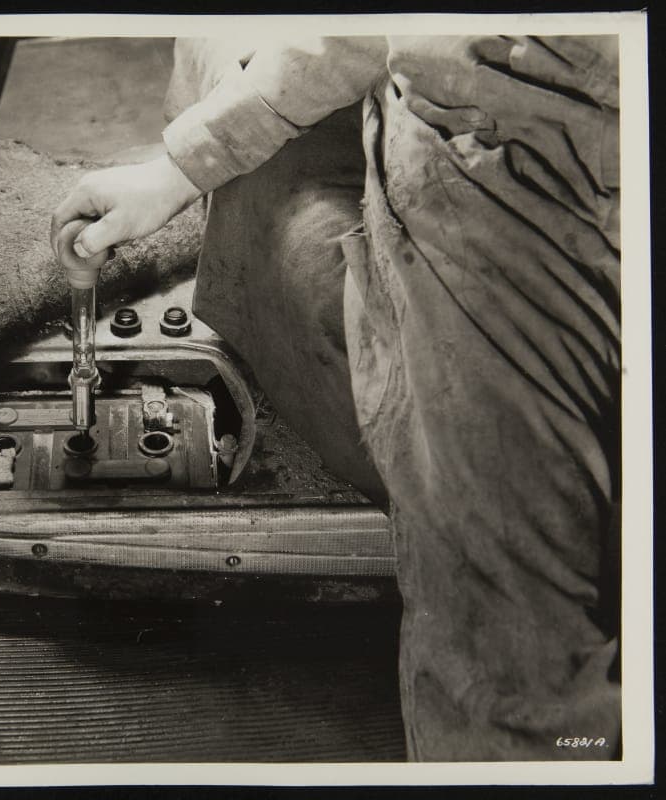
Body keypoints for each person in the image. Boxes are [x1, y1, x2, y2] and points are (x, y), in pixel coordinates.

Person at [51, 36, 621, 762]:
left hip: (533, 181)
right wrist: (175, 169)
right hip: (464, 121)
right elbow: (363, 31)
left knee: (508, 664)